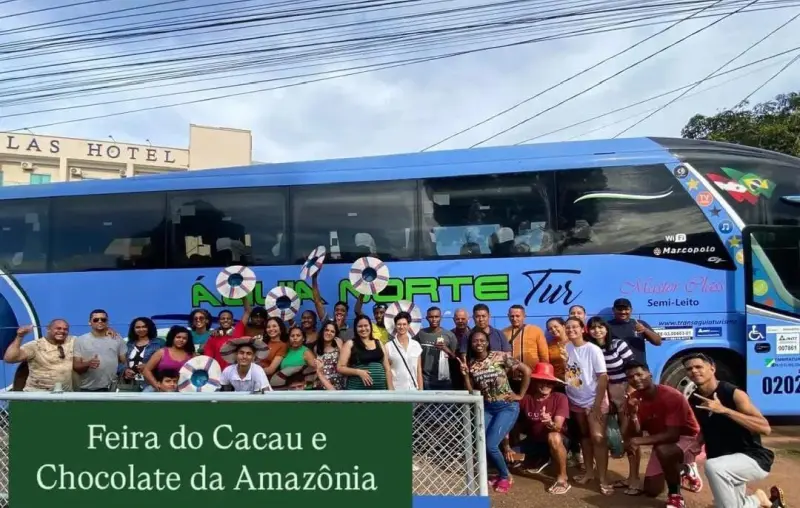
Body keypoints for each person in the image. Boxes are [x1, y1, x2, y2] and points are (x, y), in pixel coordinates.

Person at [684, 353, 784, 508]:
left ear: (712, 368)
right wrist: (696, 444)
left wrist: (724, 410)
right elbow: (708, 425)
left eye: (698, 367)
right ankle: (759, 499)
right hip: (724, 463)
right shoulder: (694, 399)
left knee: (712, 467)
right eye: (689, 369)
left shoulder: (734, 393)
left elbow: (765, 428)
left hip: (751, 458)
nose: (694, 371)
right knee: (733, 504)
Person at [459, 328, 531, 494]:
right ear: (471, 343)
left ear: (487, 342)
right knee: (481, 443)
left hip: (507, 407)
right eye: (475, 341)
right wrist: (465, 375)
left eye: (482, 340)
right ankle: (500, 473)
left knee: (491, 445)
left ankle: (506, 476)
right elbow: (472, 392)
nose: (479, 343)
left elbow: (527, 371)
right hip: (489, 408)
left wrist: (520, 394)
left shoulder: (500, 356)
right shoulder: (471, 364)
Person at [625, 361, 701, 507]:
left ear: (650, 375)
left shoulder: (671, 396)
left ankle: (676, 494)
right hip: (662, 441)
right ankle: (679, 470)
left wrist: (637, 441)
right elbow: (636, 432)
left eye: (639, 374)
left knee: (664, 451)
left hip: (688, 438)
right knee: (651, 489)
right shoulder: (634, 398)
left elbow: (673, 435)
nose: (635, 379)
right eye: (630, 377)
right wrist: (633, 415)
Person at [586, 316, 638, 492]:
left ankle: (634, 478)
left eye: (600, 327)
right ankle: (606, 470)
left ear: (606, 329)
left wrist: (629, 393)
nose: (597, 330)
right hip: (603, 392)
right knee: (610, 434)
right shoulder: (591, 348)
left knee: (628, 433)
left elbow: (633, 367)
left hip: (623, 390)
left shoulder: (618, 345)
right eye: (593, 328)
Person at [562, 316, 611, 495]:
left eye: (575, 327)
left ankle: (604, 478)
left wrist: (597, 405)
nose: (571, 330)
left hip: (593, 400)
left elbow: (603, 377)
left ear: (582, 329)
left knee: (598, 438)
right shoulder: (566, 348)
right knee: (584, 437)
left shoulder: (593, 349)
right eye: (567, 328)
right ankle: (589, 472)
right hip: (575, 400)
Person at [511, 362, 571, 495]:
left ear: (554, 384)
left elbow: (558, 427)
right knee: (509, 457)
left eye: (549, 382)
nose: (546, 385)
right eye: (542, 381)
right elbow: (513, 422)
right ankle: (538, 460)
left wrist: (549, 422)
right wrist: (508, 446)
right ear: (535, 382)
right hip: (534, 441)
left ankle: (562, 477)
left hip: (558, 440)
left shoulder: (560, 398)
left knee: (553, 436)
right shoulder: (526, 399)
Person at [3, 321, 74, 392]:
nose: (62, 331)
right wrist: (20, 336)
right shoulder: (35, 346)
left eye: (65, 329)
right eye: (58, 328)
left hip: (65, 393)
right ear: (48, 329)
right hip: (37, 393)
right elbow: (9, 358)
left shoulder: (73, 341)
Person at [73, 309, 127, 392]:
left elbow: (125, 361)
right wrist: (88, 364)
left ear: (107, 322)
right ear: (89, 322)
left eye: (103, 319)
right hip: (89, 388)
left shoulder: (117, 338)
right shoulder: (80, 340)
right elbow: (76, 366)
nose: (100, 321)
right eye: (96, 320)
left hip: (113, 388)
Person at [337, 315, 393, 390]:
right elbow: (340, 368)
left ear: (370, 326)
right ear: (355, 328)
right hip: (357, 392)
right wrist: (358, 372)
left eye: (366, 325)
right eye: (360, 326)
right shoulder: (350, 343)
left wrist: (391, 390)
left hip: (380, 392)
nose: (363, 329)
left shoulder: (378, 342)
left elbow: (387, 369)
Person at [415, 306, 458, 390]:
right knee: (427, 403)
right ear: (427, 318)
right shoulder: (420, 334)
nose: (434, 319)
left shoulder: (449, 335)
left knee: (445, 403)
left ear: (441, 318)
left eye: (436, 317)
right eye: (431, 317)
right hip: (425, 378)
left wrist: (446, 349)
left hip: (444, 379)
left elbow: (455, 358)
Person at [607, 298, 662, 363]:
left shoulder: (639, 324)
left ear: (631, 310)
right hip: (618, 369)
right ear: (613, 310)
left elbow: (658, 342)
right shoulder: (607, 326)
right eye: (619, 309)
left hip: (639, 368)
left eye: (626, 309)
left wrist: (645, 330)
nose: (623, 312)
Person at [142, 326, 195, 392]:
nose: (181, 340)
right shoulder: (161, 352)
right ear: (172, 338)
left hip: (184, 391)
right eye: (178, 337)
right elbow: (146, 370)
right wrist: (157, 386)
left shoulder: (192, 355)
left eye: (184, 338)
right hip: (159, 390)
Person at [118, 317, 162, 392]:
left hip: (150, 384)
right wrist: (125, 370)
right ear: (133, 329)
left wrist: (148, 366)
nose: (141, 329)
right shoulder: (129, 344)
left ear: (149, 328)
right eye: (138, 327)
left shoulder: (158, 343)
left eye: (144, 327)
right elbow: (121, 362)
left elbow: (165, 363)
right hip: (131, 384)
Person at [386, 312, 423, 391]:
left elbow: (418, 369)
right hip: (397, 390)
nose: (401, 327)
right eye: (399, 324)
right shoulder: (388, 346)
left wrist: (421, 390)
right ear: (395, 326)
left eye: (404, 324)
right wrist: (391, 390)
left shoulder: (416, 345)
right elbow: (387, 370)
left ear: (409, 326)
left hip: (414, 389)